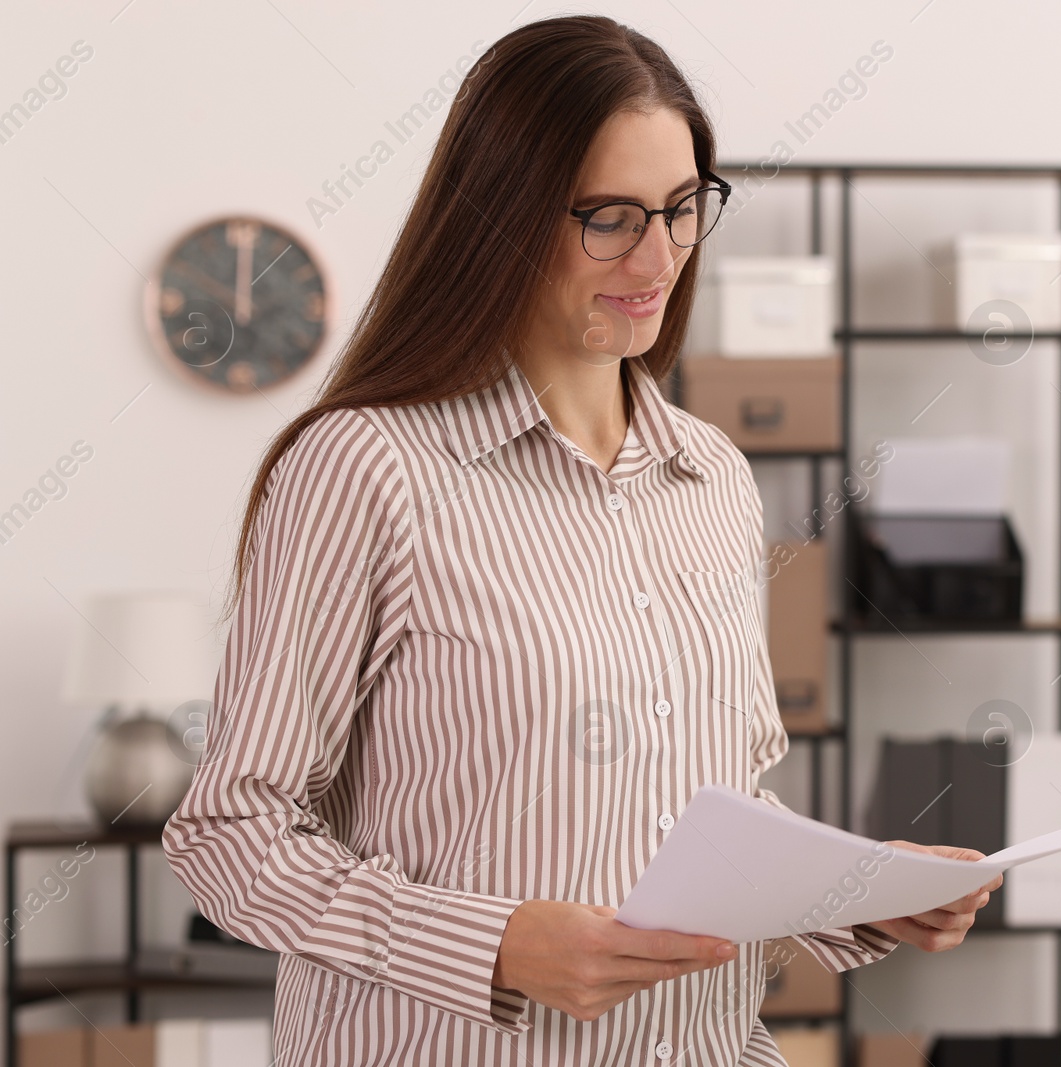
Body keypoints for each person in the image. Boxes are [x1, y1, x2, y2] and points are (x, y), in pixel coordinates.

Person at [162, 14, 1001, 1066]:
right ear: (500, 217)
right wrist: (492, 944)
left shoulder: (711, 478)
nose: (658, 257)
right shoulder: (365, 467)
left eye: (683, 207)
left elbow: (712, 811)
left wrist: (863, 892)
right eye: (610, 217)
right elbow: (229, 835)